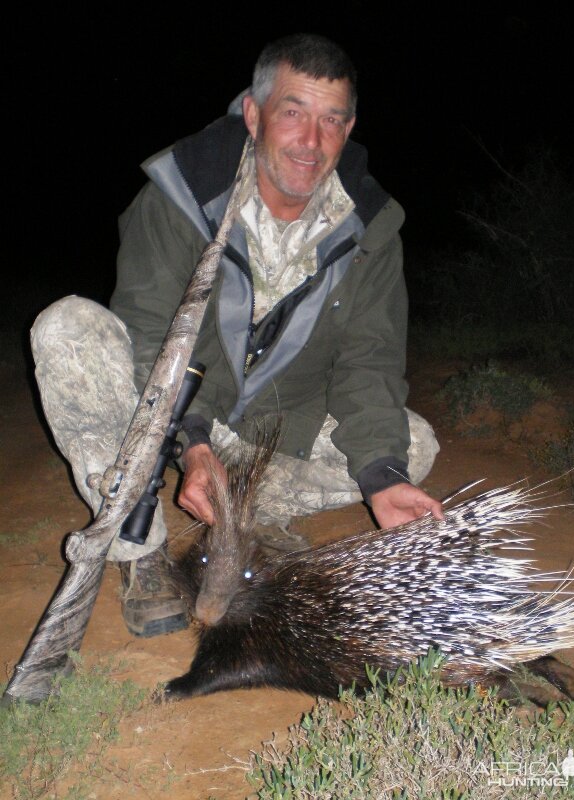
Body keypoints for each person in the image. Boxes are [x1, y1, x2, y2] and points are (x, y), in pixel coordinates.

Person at [31, 33, 442, 640]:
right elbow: (146, 332)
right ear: (254, 114)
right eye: (293, 113)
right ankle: (137, 543)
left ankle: (250, 516)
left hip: (271, 433)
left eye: (331, 120)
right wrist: (191, 443)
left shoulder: (372, 226)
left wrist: (383, 478)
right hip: (171, 416)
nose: (311, 141)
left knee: (412, 445)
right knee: (65, 327)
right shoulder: (180, 194)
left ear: (349, 128)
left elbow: (369, 362)